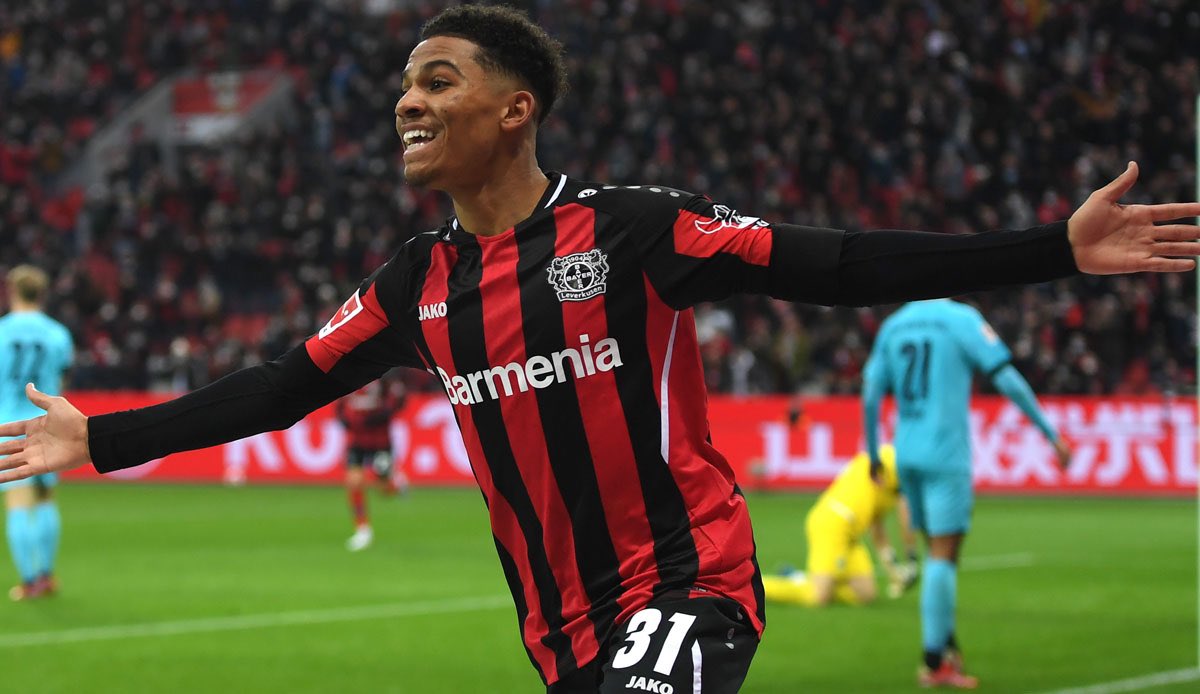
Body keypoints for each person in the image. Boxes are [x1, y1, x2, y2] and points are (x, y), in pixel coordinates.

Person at [1, 5, 1199, 691]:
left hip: (688, 584)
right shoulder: (414, 283)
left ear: (515, 108)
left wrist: (1056, 247)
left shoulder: (634, 230)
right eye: (403, 85)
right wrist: (102, 438)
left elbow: (835, 264)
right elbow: (279, 388)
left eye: (437, 80)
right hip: (557, 627)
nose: (406, 101)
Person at [863, 298, 1073, 689]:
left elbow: (871, 392)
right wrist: (1051, 434)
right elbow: (1006, 378)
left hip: (906, 452)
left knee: (934, 552)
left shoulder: (895, 324)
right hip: (945, 453)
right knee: (944, 557)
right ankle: (933, 662)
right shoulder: (960, 319)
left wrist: (874, 455)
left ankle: (947, 650)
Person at [762, 444, 919, 607]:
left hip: (851, 535)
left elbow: (877, 528)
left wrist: (893, 570)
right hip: (833, 524)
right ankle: (759, 587)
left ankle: (799, 579)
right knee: (818, 596)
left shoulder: (887, 481)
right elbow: (906, 515)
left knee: (865, 593)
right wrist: (911, 557)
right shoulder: (893, 462)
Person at [0, 266, 74, 601]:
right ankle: (46, 575)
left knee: (17, 502)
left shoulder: (2, 332)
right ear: (42, 293)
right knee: (45, 497)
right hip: (48, 424)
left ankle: (29, 581)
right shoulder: (58, 333)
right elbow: (63, 379)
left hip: (10, 425)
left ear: (12, 291)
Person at [336, 377, 407, 551]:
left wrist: (379, 416)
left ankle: (396, 483)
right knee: (354, 481)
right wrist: (344, 419)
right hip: (356, 441)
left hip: (380, 441)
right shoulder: (346, 375)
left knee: (383, 489)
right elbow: (340, 404)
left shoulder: (384, 377)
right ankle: (363, 529)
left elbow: (398, 401)